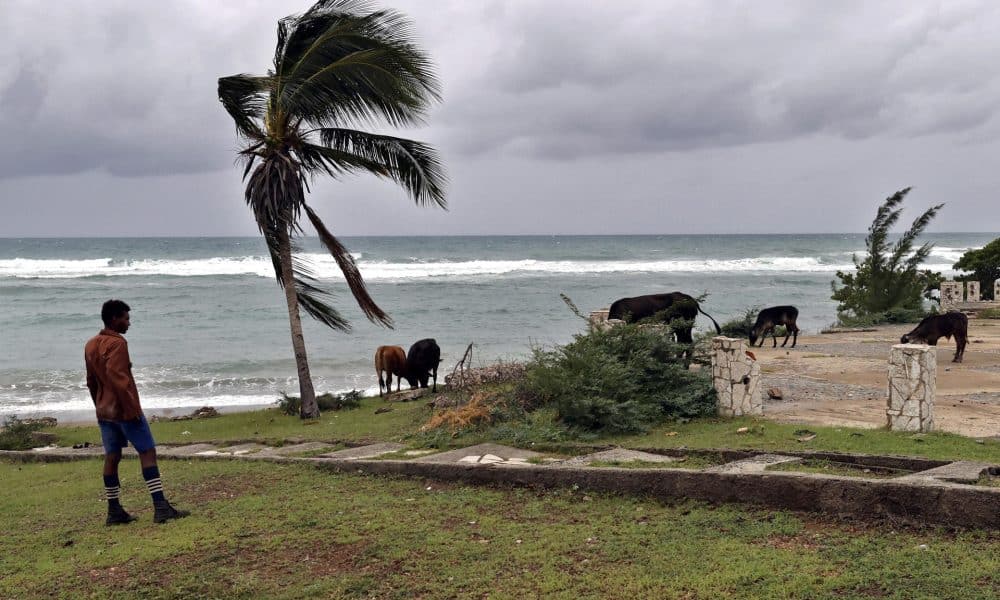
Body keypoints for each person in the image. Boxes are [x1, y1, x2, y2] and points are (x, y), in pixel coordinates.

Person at [85, 299, 189, 525]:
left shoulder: (91, 345)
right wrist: (131, 409)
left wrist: (99, 405)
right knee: (147, 452)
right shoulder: (118, 344)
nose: (129, 323)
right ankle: (160, 506)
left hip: (104, 411)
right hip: (124, 410)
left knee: (112, 457)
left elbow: (91, 382)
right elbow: (118, 379)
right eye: (126, 318)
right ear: (114, 319)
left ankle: (114, 511)